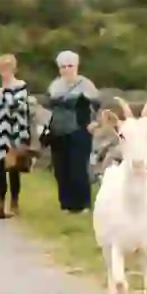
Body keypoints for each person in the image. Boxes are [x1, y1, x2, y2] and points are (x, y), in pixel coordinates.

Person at [45, 50, 100, 214]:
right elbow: (49, 107)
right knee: (61, 168)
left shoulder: (86, 84)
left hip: (80, 129)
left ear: (76, 66)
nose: (67, 69)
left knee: (78, 168)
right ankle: (66, 204)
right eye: (63, 66)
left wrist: (94, 122)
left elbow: (97, 105)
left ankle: (83, 204)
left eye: (70, 66)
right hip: (58, 131)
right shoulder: (54, 86)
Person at [0, 54, 31, 219]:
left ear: (13, 69)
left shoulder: (20, 87)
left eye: (7, 69)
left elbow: (18, 106)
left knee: (13, 169)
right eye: (1, 69)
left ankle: (14, 202)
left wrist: (0, 95)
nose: (4, 72)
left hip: (15, 133)